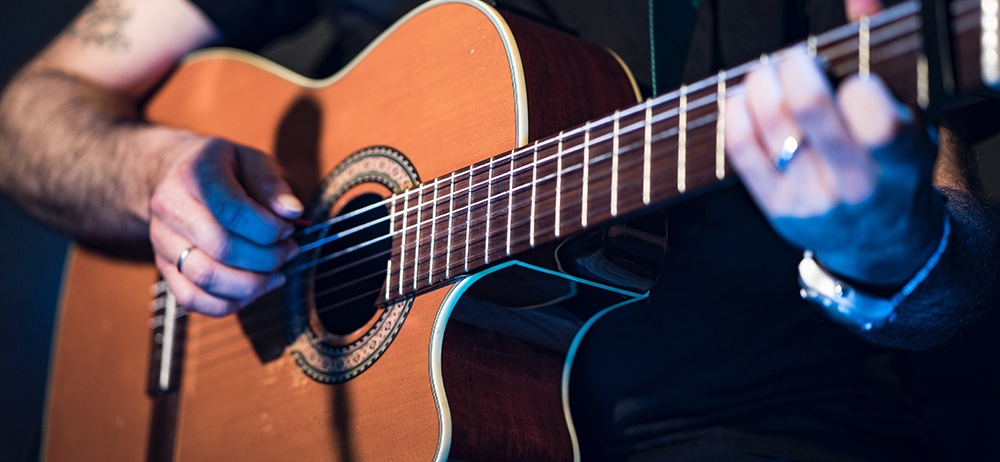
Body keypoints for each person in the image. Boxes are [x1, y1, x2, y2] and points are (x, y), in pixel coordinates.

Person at [0, 0, 996, 460]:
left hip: (745, 425)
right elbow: (35, 109)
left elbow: (952, 288)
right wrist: (150, 173)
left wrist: (881, 246)